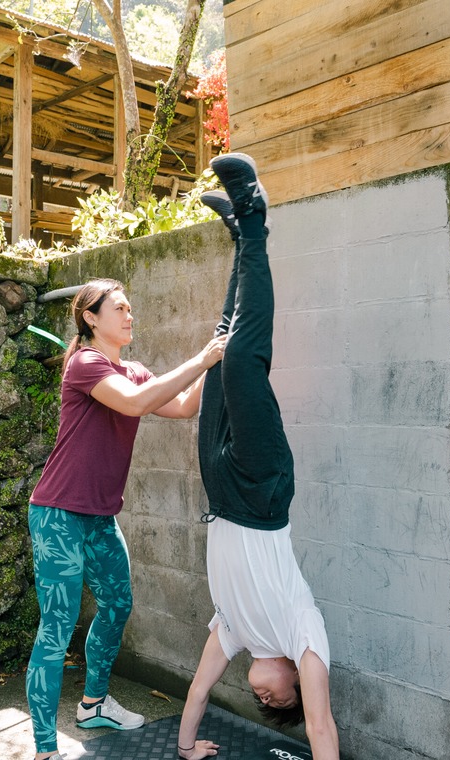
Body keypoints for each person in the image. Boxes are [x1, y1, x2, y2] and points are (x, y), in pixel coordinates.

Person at [176, 153, 339, 760]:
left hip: (220, 493)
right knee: (246, 358)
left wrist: (188, 747)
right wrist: (313, 725)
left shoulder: (234, 632)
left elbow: (197, 689)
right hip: (263, 492)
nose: (265, 699)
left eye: (264, 706)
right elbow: (322, 729)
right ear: (298, 681)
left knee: (222, 348)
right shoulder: (305, 634)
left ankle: (239, 241)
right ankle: (254, 217)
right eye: (279, 702)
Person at [26, 278, 227, 760]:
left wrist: (219, 361)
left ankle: (93, 704)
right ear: (91, 318)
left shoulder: (132, 369)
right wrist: (201, 358)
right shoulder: (85, 363)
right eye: (119, 308)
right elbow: (136, 403)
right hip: (58, 515)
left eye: (130, 307)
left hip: (98, 517)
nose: (129, 314)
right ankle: (45, 749)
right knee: (58, 625)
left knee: (117, 603)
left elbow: (179, 406)